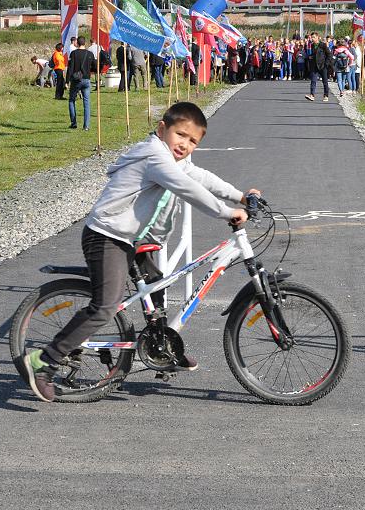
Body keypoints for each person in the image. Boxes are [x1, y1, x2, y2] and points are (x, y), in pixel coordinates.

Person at [18, 102, 257, 402]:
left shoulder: (173, 158)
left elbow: (199, 177)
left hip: (132, 237)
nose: (185, 144)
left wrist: (241, 196)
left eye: (193, 141)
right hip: (107, 236)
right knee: (106, 305)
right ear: (161, 129)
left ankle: (161, 346)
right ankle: (44, 360)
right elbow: (186, 187)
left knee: (158, 285)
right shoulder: (154, 156)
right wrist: (226, 212)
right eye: (180, 135)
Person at [66, 36, 96, 130]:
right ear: (85, 43)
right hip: (86, 79)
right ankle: (86, 126)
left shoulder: (73, 53)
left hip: (76, 80)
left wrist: (67, 81)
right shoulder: (90, 54)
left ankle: (74, 122)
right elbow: (95, 66)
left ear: (77, 43)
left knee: (71, 100)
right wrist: (89, 70)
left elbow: (70, 68)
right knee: (86, 103)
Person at [304, 31, 331, 103]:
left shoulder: (323, 45)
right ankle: (312, 95)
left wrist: (326, 64)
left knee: (325, 81)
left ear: (317, 37)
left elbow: (329, 54)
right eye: (311, 37)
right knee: (313, 80)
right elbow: (313, 54)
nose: (312, 39)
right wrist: (310, 57)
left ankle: (326, 95)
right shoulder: (311, 45)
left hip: (322, 66)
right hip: (314, 66)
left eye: (314, 37)